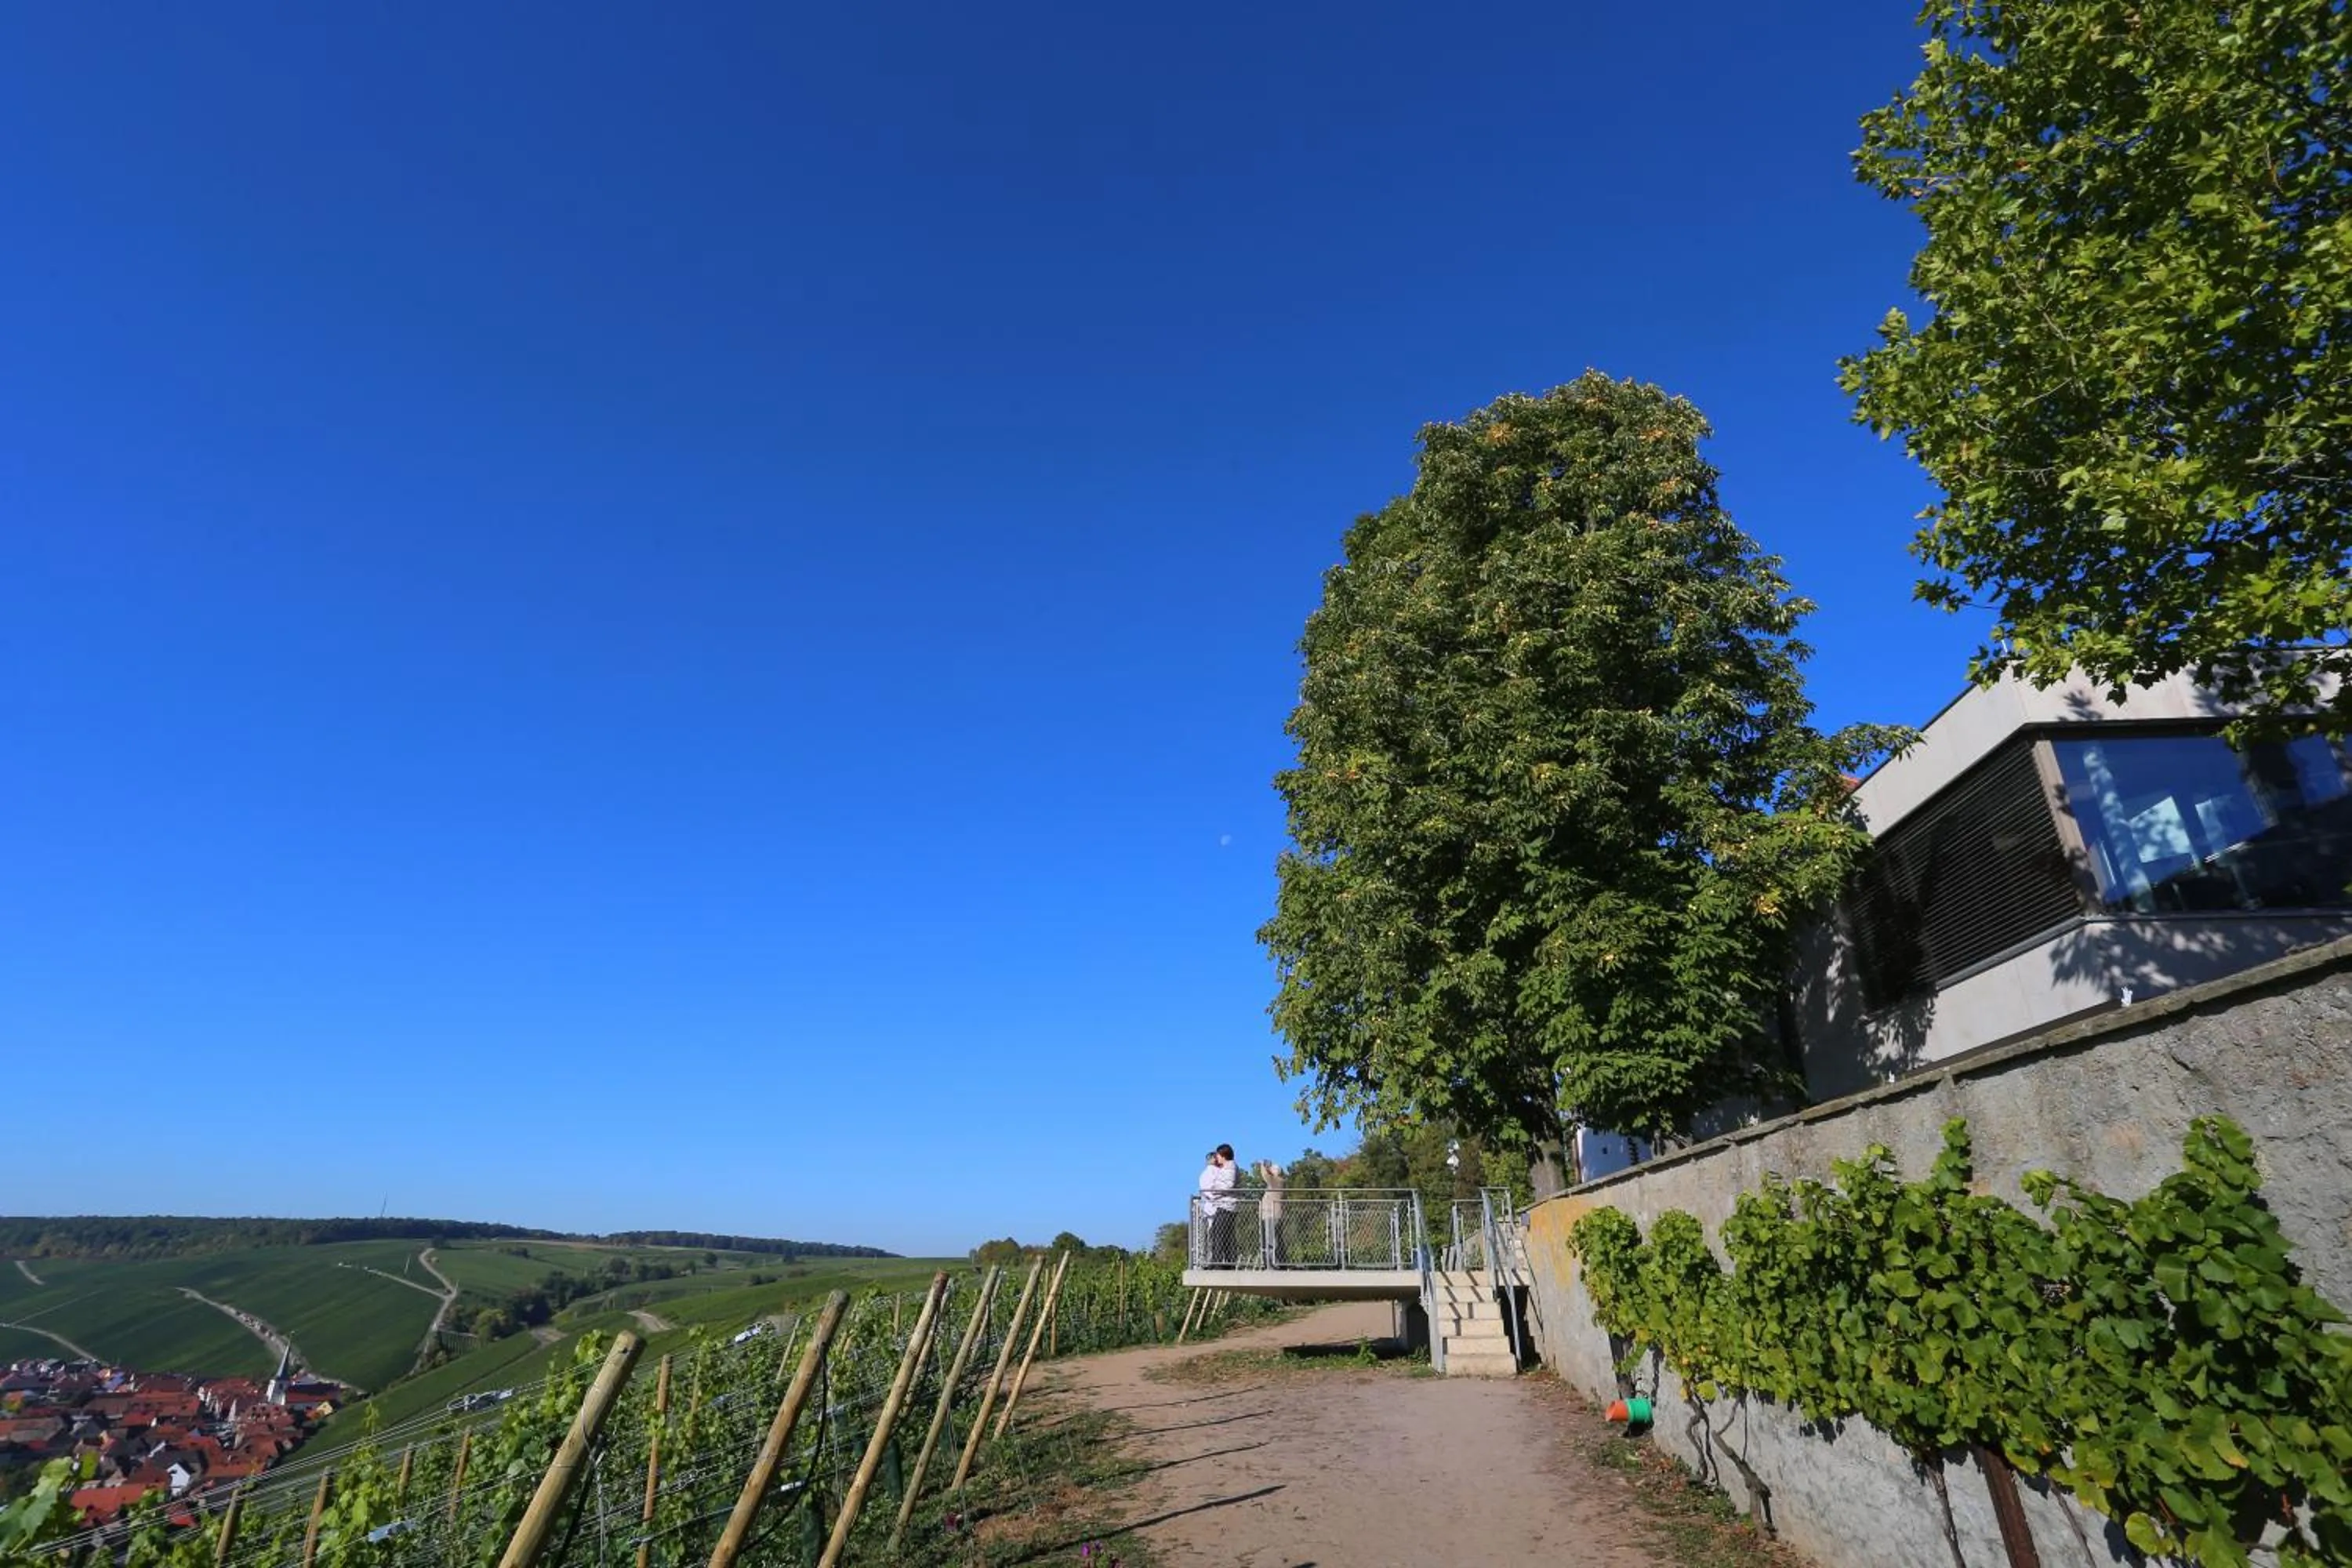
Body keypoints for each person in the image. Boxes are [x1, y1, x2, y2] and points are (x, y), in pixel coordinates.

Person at [1197, 1144, 1239, 1267]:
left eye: (1218, 1155)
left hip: (1226, 1206)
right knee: (1226, 1235)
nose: (1217, 1158)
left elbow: (1227, 1185)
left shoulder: (1230, 1167)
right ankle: (1229, 1263)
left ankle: (1217, 1263)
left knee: (1218, 1234)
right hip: (1226, 1205)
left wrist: (1214, 1192)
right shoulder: (1227, 1167)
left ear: (1223, 1155)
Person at [1255, 1160, 1286, 1267]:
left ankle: (1273, 1262)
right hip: (1271, 1214)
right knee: (1272, 1237)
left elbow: (1265, 1175)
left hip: (1272, 1214)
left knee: (1271, 1239)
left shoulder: (1276, 1181)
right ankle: (1273, 1261)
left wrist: (1262, 1165)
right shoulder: (1277, 1182)